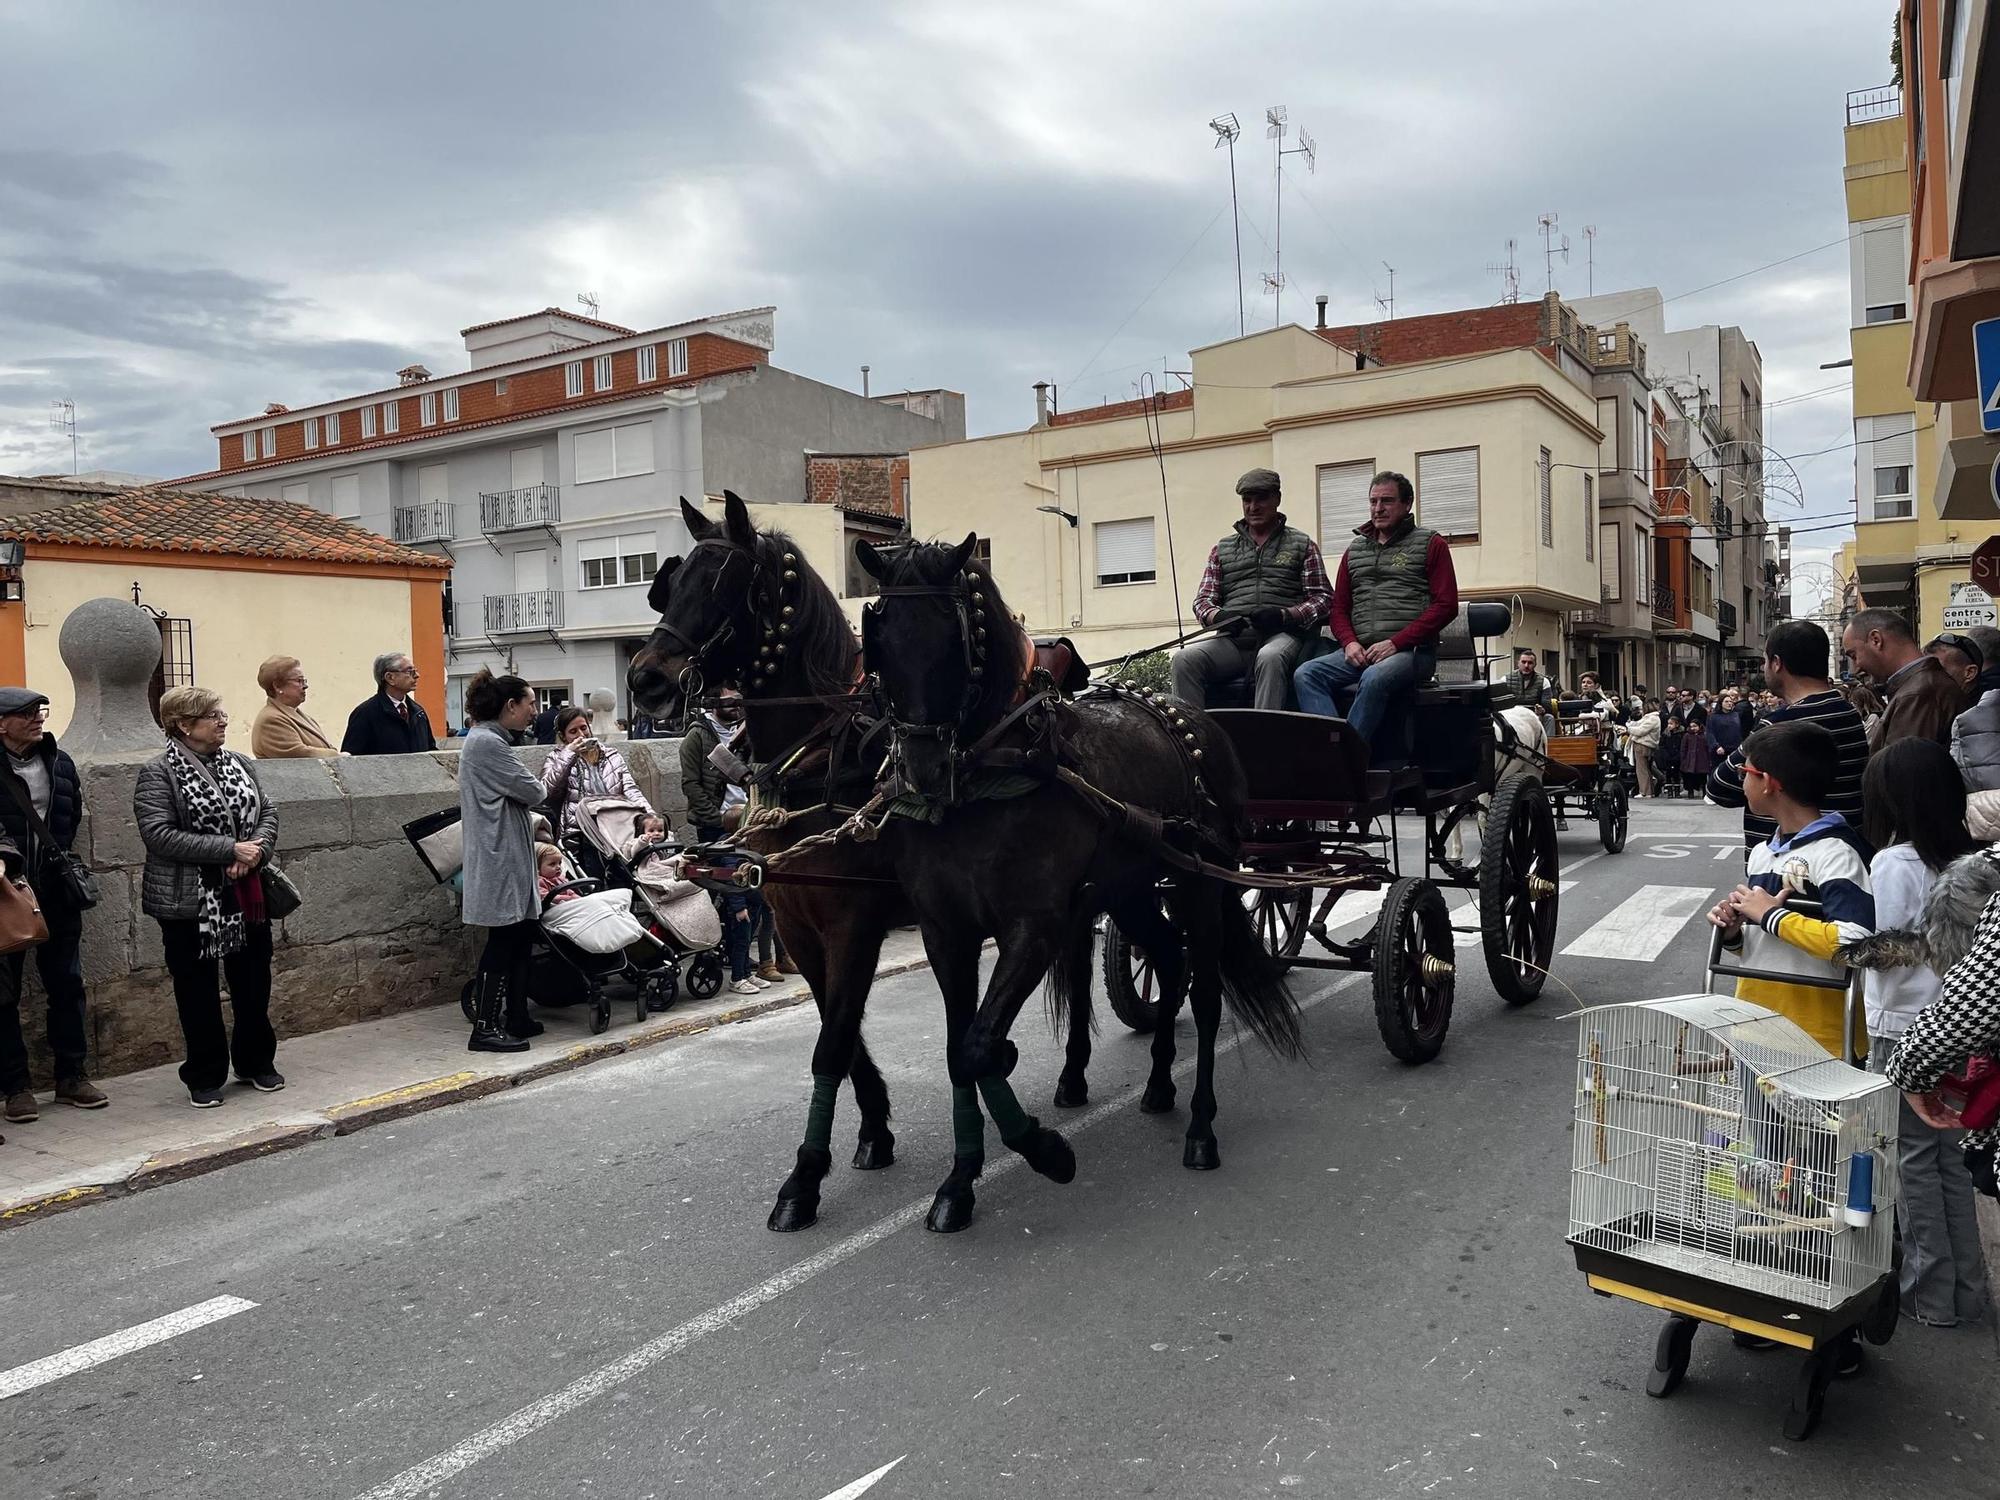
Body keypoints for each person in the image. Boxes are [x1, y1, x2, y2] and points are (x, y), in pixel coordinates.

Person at [1858, 740, 1991, 1326]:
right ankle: (1965, 1291)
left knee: (1909, 1164)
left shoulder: (1893, 863)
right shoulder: (1971, 863)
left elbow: (1889, 949)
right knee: (1948, 1164)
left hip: (1903, 1034)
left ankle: (1926, 1295)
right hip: (1958, 1030)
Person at [135, 687, 282, 1107]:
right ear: (184, 725)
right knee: (196, 990)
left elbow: (267, 812)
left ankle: (256, 1061)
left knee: (254, 980)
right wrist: (227, 851)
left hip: (245, 890)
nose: (223, 722)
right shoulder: (159, 772)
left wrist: (253, 852)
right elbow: (159, 834)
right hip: (187, 900)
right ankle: (204, 1073)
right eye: (212, 716)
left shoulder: (239, 763)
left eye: (221, 714)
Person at [1706, 721, 1875, 1057]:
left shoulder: (1836, 854)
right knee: (1756, 1113)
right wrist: (1734, 934)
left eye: (1746, 771)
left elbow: (1855, 942)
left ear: (1768, 782)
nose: (1742, 781)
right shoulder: (1763, 853)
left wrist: (1772, 915)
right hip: (1756, 1026)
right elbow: (1768, 944)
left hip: (1821, 1039)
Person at [1294, 470, 1459, 762]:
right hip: (1362, 651)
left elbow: (1446, 606)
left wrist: (1395, 643)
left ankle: (1347, 760)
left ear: (1407, 504)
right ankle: (1333, 751)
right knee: (1307, 673)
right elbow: (1339, 608)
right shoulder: (1354, 550)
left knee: (1373, 677)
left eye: (1387, 501)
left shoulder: (1431, 544)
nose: (1378, 508)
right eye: (1373, 501)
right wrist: (1348, 643)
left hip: (1413, 653)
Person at [0, 688, 105, 1123]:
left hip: (56, 890)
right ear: (1, 723)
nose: (36, 719)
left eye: (38, 711)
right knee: (4, 995)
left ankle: (71, 1076)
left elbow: (70, 817)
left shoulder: (60, 763)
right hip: (6, 893)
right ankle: (16, 1087)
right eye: (24, 714)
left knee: (67, 984)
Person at [1172, 469, 1333, 710]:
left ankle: (1262, 737)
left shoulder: (1302, 545)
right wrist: (1219, 617)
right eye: (1247, 500)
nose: (1253, 507)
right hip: (1233, 643)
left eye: (1261, 499)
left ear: (1277, 499)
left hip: (1282, 637)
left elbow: (1323, 598)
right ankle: (1194, 741)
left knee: (1270, 657)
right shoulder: (1222, 549)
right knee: (1183, 660)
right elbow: (1202, 601)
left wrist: (1285, 616)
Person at [1708, 621, 1869, 854]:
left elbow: (1719, 786)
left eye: (1765, 661)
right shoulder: (1849, 713)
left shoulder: (1780, 724)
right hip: (1844, 851)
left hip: (1788, 866)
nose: (1764, 669)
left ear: (1776, 663)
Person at [459, 669, 546, 1053]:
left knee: (521, 934)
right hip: (499, 856)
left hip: (508, 851)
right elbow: (535, 790)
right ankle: (485, 1027)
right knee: (504, 938)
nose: (533, 712)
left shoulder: (489, 740)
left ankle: (516, 1016)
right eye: (529, 704)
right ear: (510, 706)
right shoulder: (487, 744)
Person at [679, 688, 768, 995]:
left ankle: (740, 962)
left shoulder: (747, 730)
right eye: (729, 702)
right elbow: (691, 784)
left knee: (754, 896)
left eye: (739, 702)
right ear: (714, 701)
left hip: (747, 823)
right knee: (737, 899)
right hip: (718, 829)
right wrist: (717, 821)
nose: (735, 708)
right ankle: (737, 973)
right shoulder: (698, 736)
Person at [1843, 608, 1967, 750]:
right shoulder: (1919, 687)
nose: (1856, 669)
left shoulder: (1917, 694)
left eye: (1854, 655)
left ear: (1876, 640)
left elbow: (1901, 768)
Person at [540, 704, 650, 844]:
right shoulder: (556, 758)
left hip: (615, 829)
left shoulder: (611, 756)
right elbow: (547, 792)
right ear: (563, 736)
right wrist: (569, 753)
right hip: (579, 832)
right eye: (573, 731)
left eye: (584, 728)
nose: (581, 735)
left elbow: (630, 789)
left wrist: (650, 815)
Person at [341, 652, 438, 755]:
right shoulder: (365, 713)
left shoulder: (418, 712)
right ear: (390, 677)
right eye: (409, 671)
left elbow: (431, 752)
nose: (417, 676)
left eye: (415, 671)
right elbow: (350, 759)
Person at [249, 656, 339, 759]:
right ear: (277, 686)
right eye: (299, 681)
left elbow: (325, 747)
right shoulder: (271, 720)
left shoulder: (301, 716)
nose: (305, 686)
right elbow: (299, 754)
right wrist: (337, 755)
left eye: (304, 680)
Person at [1621, 697, 1662, 798]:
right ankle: (1650, 791)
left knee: (1641, 769)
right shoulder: (1650, 718)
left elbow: (1640, 731)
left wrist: (1628, 729)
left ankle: (1644, 792)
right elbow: (1638, 725)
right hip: (1646, 745)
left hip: (1643, 745)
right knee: (1646, 769)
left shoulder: (1652, 718)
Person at [1926, 631, 1984, 699]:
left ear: (1970, 672)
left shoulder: (1988, 707)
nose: (1926, 678)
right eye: (1924, 670)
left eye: (1938, 670)